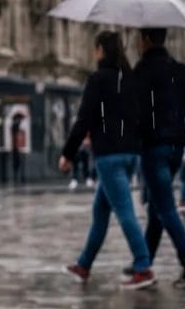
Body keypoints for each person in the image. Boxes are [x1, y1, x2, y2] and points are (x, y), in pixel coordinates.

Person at [60, 32, 155, 289]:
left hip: (109, 155)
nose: (94, 54)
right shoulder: (131, 79)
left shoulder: (98, 79)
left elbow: (84, 119)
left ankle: (143, 266)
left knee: (125, 212)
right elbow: (142, 116)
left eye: (95, 49)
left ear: (101, 50)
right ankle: (84, 265)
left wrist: (68, 153)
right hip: (130, 153)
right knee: (101, 211)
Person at [132, 28, 185, 288]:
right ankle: (143, 262)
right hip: (176, 149)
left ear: (146, 40)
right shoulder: (181, 71)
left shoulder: (141, 72)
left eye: (139, 38)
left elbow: (132, 113)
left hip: (153, 147)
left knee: (166, 208)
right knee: (158, 208)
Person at [9, 110, 28, 185]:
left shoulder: (18, 125)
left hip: (18, 147)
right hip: (16, 147)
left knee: (19, 163)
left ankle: (19, 177)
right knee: (17, 163)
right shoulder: (15, 125)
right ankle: (19, 178)